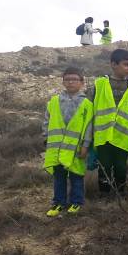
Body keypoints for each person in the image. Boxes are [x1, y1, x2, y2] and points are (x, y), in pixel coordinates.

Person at [89, 48, 128, 194]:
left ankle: (120, 194)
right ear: (113, 64)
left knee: (120, 167)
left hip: (123, 137)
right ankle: (104, 194)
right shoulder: (99, 84)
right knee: (104, 166)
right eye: (126, 64)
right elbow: (90, 108)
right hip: (103, 135)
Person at [42, 67, 93, 216]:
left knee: (76, 175)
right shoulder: (54, 101)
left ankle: (77, 202)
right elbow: (47, 121)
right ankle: (58, 203)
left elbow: (89, 126)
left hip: (75, 149)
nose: (71, 82)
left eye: (74, 79)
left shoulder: (87, 104)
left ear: (82, 82)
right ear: (63, 82)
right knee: (59, 177)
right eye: (67, 79)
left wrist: (85, 146)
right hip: (57, 148)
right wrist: (46, 138)